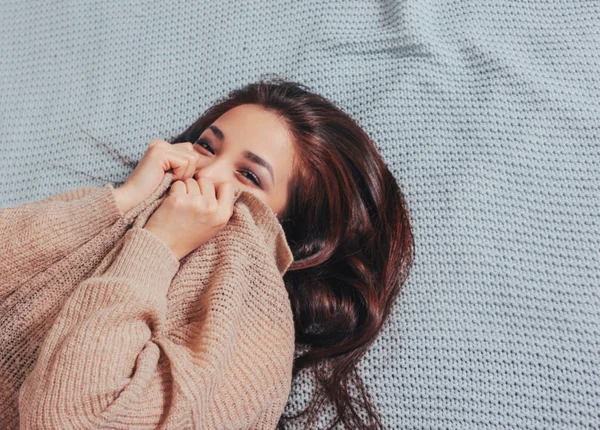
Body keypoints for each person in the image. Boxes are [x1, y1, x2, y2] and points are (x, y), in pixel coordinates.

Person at [8, 75, 415, 429]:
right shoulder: (119, 221)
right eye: (205, 146)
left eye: (249, 175)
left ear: (293, 234)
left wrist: (159, 247)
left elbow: (68, 418)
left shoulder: (255, 346)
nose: (205, 172)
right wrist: (122, 201)